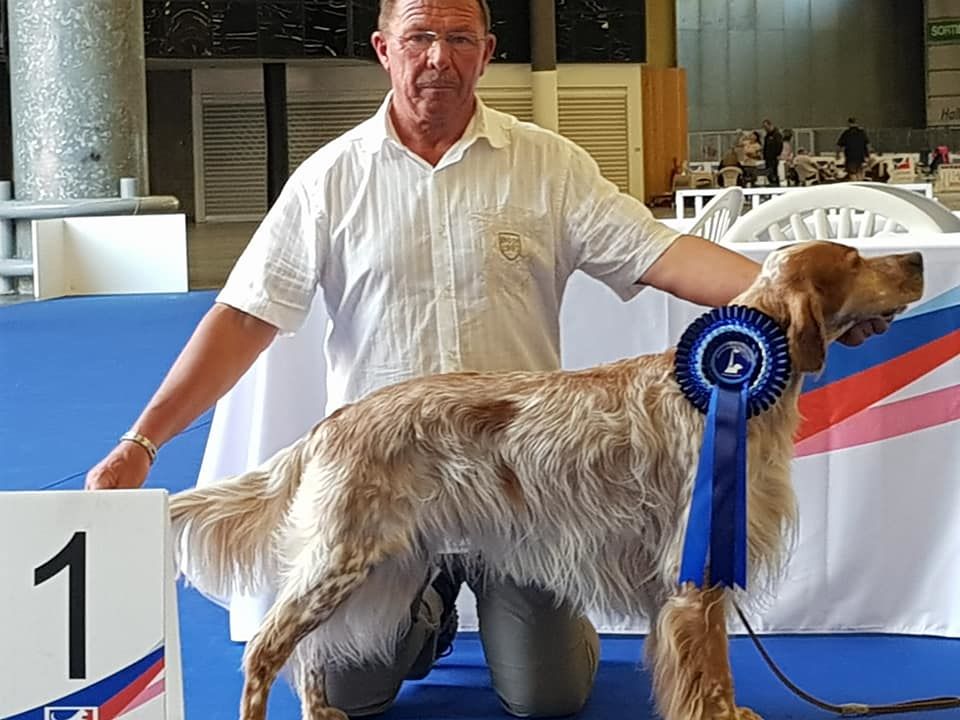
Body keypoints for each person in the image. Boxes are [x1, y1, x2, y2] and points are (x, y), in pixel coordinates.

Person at [85, 0, 890, 715]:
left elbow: (660, 253)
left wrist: (789, 300)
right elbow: (242, 318)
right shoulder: (329, 179)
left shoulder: (548, 164)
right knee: (352, 692)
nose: (439, 56)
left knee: (548, 698)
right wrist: (143, 440)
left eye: (459, 37)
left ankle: (489, 612)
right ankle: (422, 607)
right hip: (394, 469)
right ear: (383, 48)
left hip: (525, 484)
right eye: (420, 36)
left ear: (486, 50)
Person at [837, 116, 871, 181]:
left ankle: (856, 184)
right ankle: (861, 184)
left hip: (850, 156)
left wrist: (837, 154)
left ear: (848, 123)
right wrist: (868, 155)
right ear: (856, 123)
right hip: (861, 156)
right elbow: (867, 145)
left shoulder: (846, 133)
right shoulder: (862, 132)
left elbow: (839, 145)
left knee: (852, 173)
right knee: (860, 171)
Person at [761, 119, 784, 187]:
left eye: (766, 126)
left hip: (774, 158)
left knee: (773, 172)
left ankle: (775, 185)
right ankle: (771, 183)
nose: (765, 128)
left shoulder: (777, 134)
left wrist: (778, 154)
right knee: (769, 173)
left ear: (770, 125)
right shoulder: (767, 136)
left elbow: (780, 145)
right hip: (767, 158)